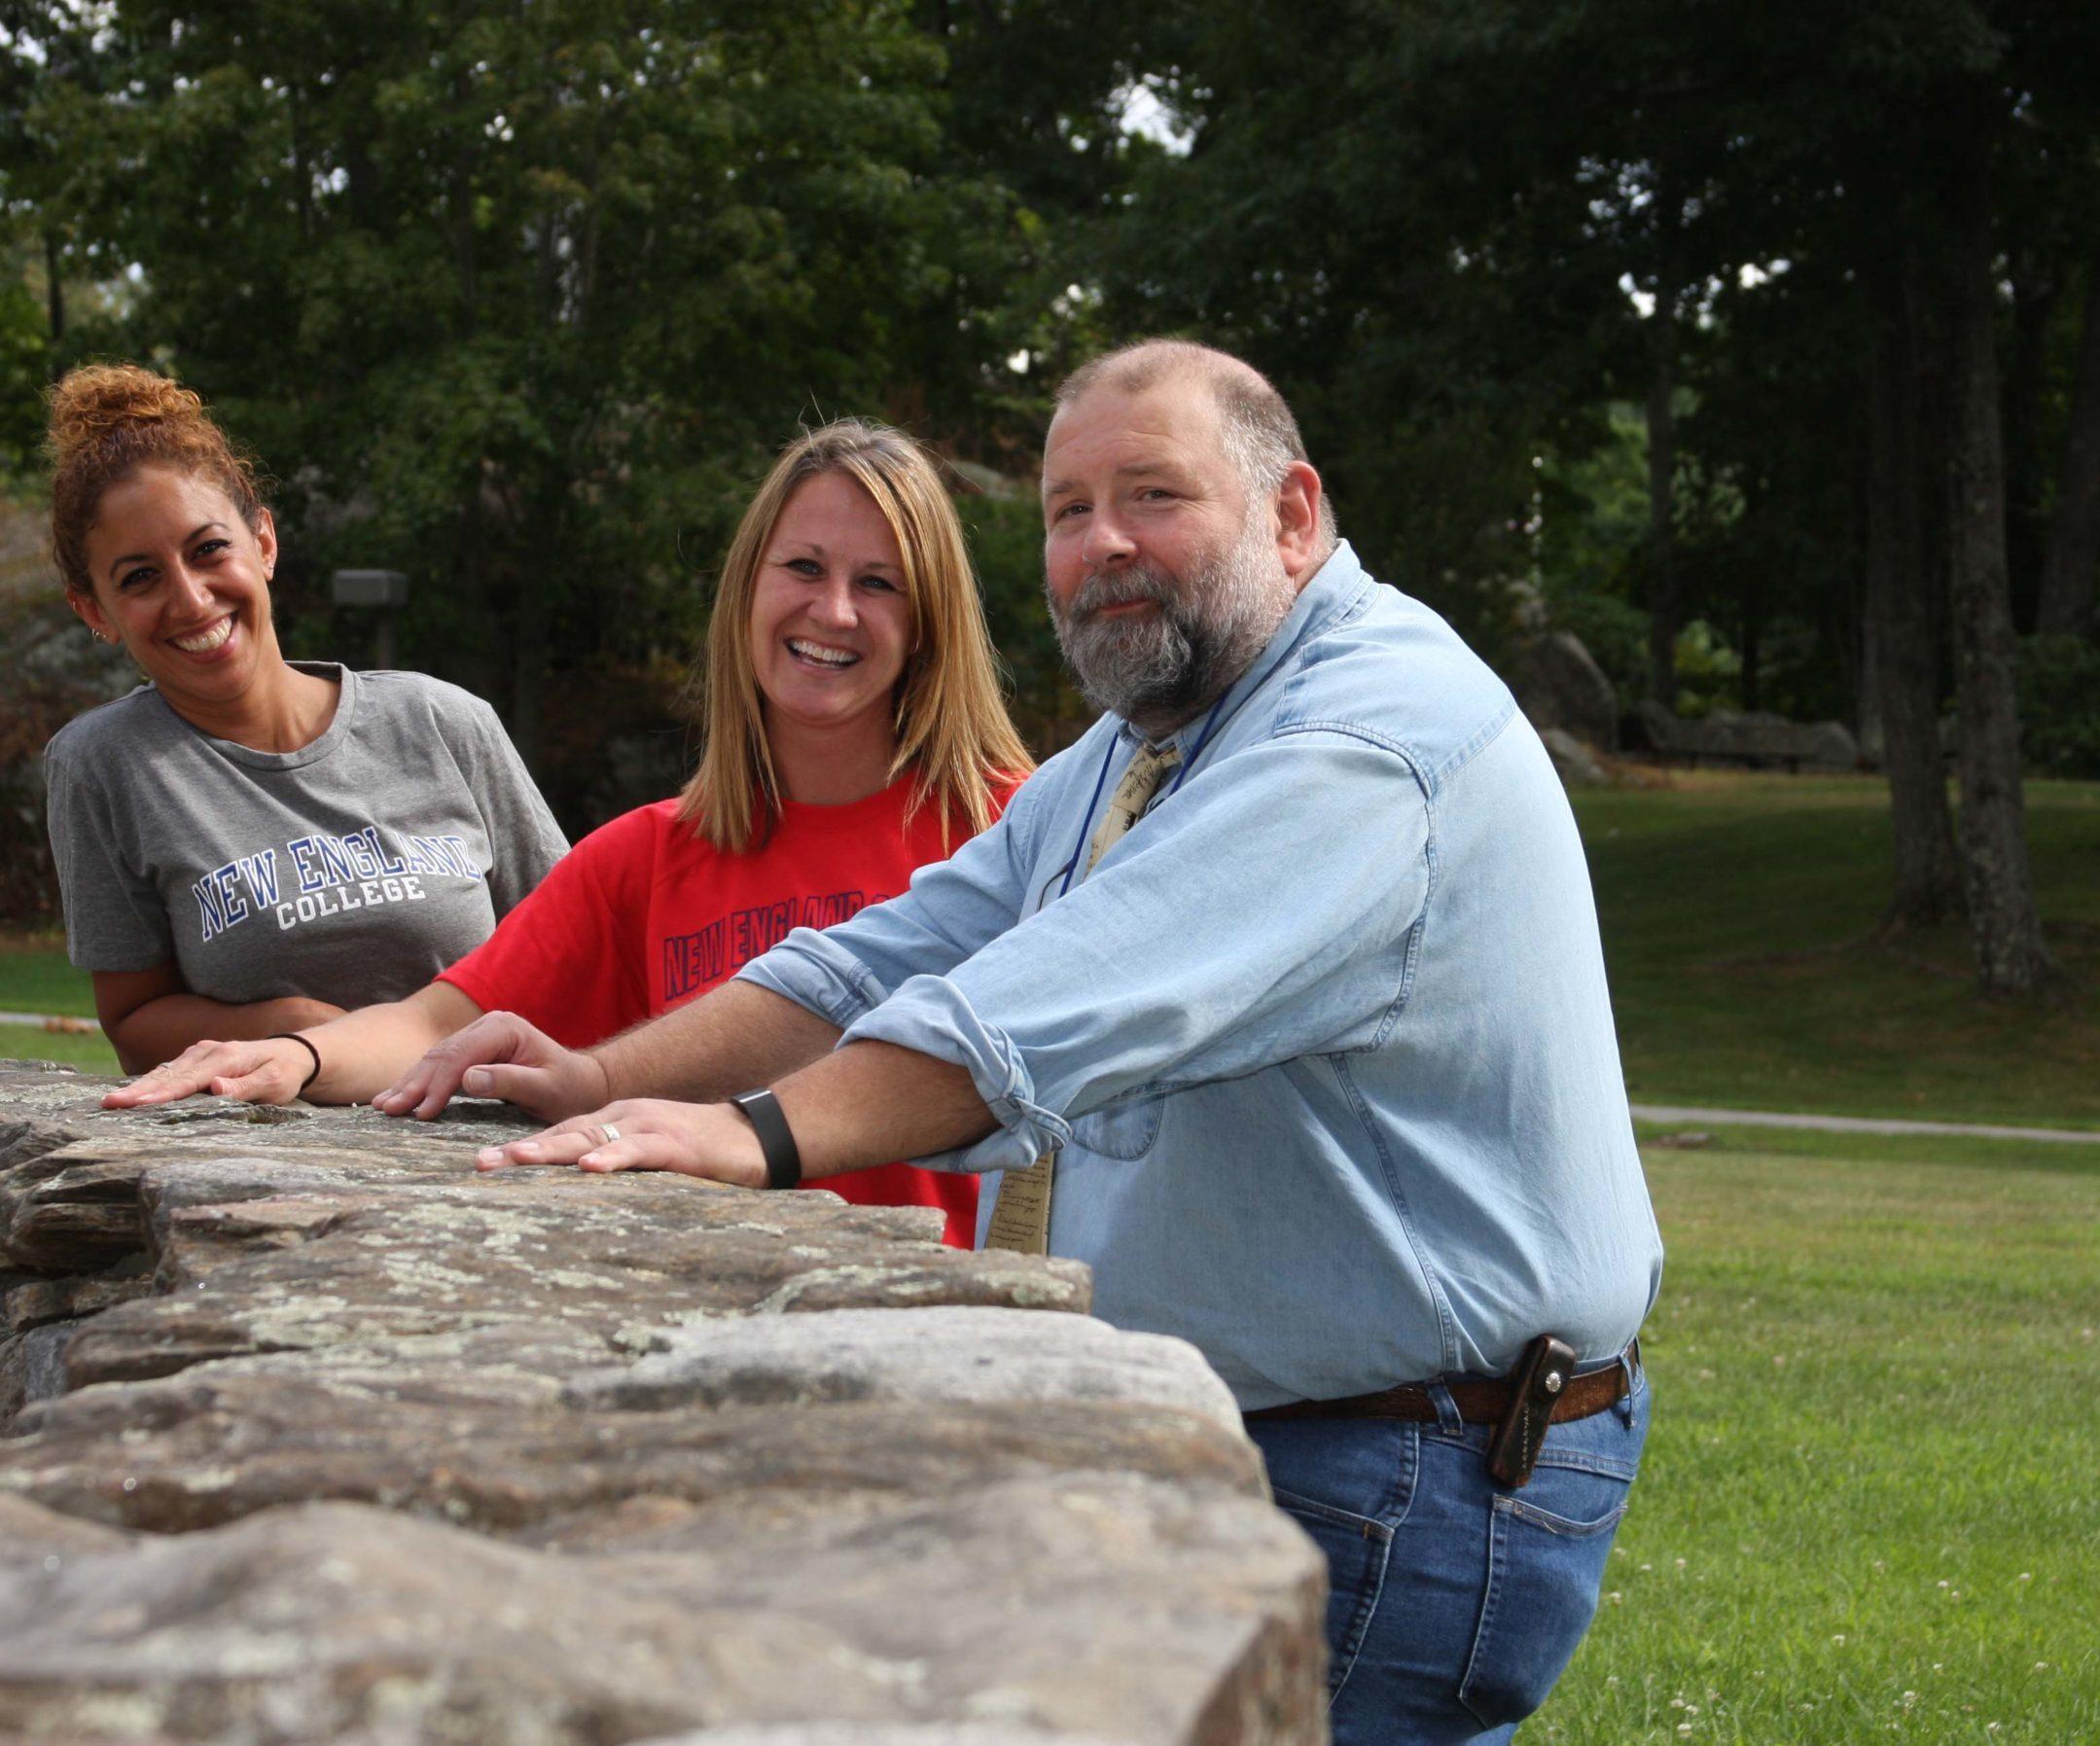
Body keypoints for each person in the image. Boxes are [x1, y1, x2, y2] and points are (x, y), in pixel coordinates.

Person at [385, 341, 1663, 1741]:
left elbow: (1029, 1010)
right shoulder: (1149, 743)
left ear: (1293, 516)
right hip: (1313, 1442)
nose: (1102, 543)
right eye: (1067, 510)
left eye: (1153, 495)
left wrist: (746, 1136)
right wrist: (608, 1076)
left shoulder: (1360, 742)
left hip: (1403, 1469)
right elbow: (894, 946)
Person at [102, 418, 1033, 1249]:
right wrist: (295, 1057)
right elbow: (432, 1025)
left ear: (929, 624)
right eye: (804, 568)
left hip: (945, 1336)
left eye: (879, 583)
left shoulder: (1019, 828)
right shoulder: (644, 857)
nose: (834, 611)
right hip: (716, 1323)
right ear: (747, 587)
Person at [43, 364, 567, 1074]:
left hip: (492, 1138)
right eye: (140, 577)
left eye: (208, 550)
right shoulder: (103, 765)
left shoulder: (442, 721)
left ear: (263, 542)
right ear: (94, 611)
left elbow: (575, 943)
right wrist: (300, 1030)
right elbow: (134, 1021)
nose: (192, 600)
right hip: (275, 1161)